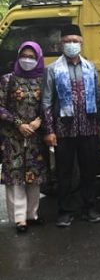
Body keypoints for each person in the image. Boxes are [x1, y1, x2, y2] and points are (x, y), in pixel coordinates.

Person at [42, 24, 100, 227]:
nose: (71, 44)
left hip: (88, 128)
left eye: (75, 41)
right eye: (67, 41)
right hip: (63, 130)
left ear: (81, 42)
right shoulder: (52, 69)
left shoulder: (90, 67)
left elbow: (98, 97)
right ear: (61, 43)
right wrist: (50, 130)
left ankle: (89, 208)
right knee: (64, 173)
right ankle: (65, 211)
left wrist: (98, 125)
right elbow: (47, 102)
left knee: (89, 171)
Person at [0, 42, 47, 233]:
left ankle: (31, 215)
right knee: (16, 176)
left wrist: (39, 121)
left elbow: (50, 104)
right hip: (13, 137)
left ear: (38, 58)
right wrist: (18, 123)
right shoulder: (7, 80)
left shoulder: (43, 80)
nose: (27, 59)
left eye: (32, 56)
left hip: (35, 136)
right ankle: (20, 219)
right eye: (24, 55)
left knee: (34, 177)